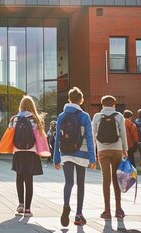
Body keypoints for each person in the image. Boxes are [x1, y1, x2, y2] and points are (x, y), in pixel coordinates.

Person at [54, 87, 95, 227]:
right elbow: (89, 138)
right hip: (82, 155)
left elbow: (57, 138)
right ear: (81, 100)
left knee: (69, 182)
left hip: (65, 153)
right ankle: (78, 215)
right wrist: (92, 158)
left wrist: (56, 158)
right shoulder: (84, 116)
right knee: (81, 184)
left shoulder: (61, 116)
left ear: (69, 99)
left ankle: (66, 205)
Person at [92, 95, 128, 219]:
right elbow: (123, 133)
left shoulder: (97, 116)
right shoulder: (119, 116)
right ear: (114, 105)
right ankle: (118, 209)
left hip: (102, 149)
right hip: (117, 149)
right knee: (116, 178)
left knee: (105, 179)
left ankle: (107, 211)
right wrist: (125, 149)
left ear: (102, 105)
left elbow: (93, 134)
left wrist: (93, 151)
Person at [9, 95, 45, 217]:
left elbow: (10, 133)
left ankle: (20, 205)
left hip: (18, 151)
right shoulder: (35, 119)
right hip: (31, 151)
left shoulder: (15, 118)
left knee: (19, 177)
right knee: (29, 179)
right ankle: (28, 209)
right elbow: (40, 137)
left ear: (21, 106)